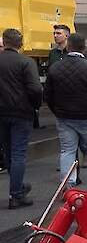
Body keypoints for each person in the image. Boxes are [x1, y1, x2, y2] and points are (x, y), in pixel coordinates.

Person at [44, 33, 87, 189]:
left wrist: (57, 111)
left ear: (68, 47)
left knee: (67, 150)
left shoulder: (55, 68)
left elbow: (47, 95)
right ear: (83, 48)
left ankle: (68, 186)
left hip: (64, 117)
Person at [0, 29, 42, 208]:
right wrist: (35, 106)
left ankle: (18, 186)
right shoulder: (26, 62)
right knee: (18, 153)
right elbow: (35, 89)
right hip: (21, 113)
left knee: (8, 152)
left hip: (1, 113)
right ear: (21, 43)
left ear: (4, 42)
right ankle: (16, 194)